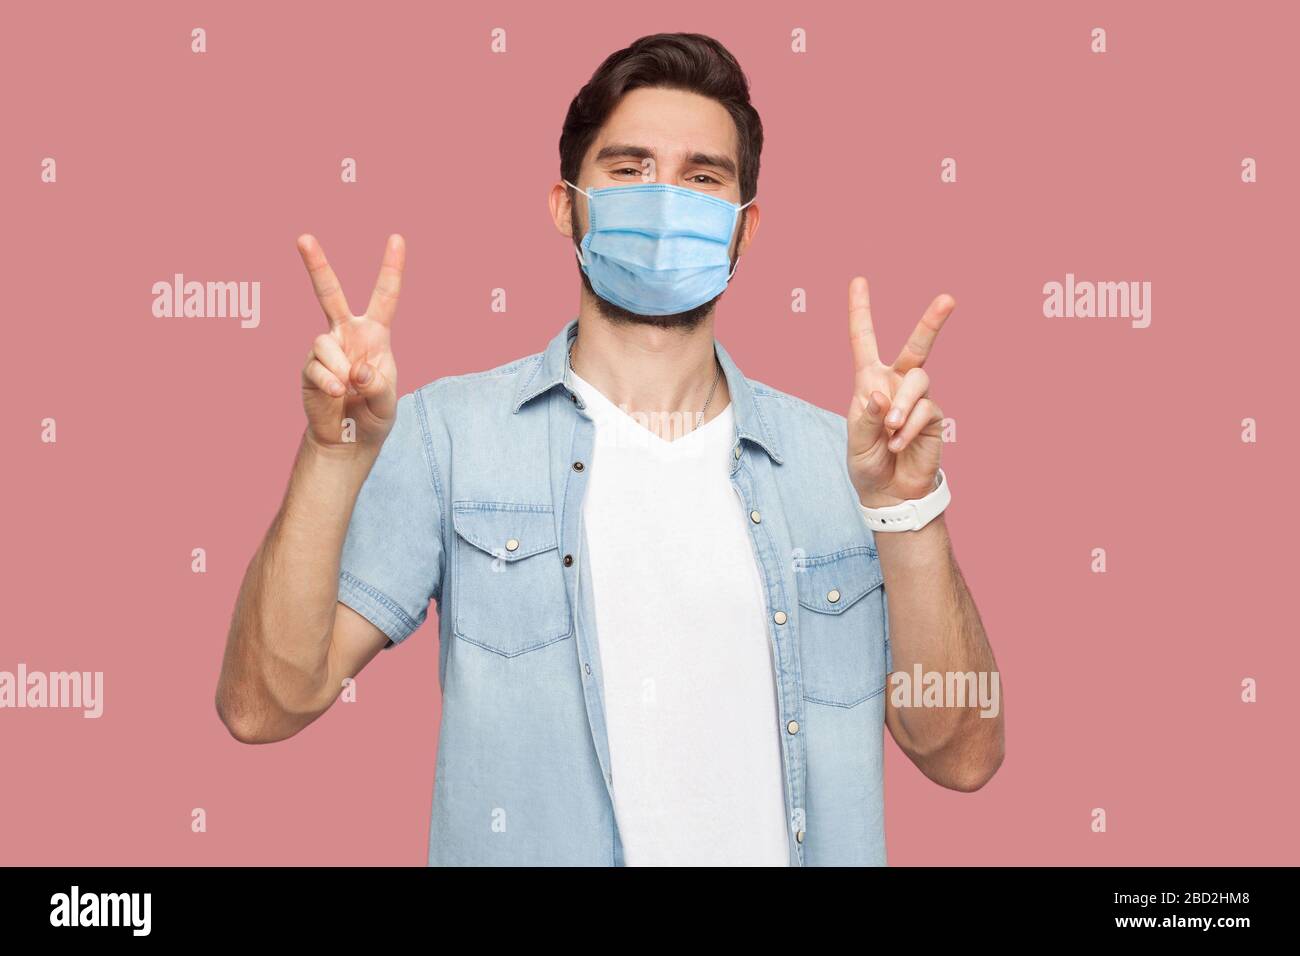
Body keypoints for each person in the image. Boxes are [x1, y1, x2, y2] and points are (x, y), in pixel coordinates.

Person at [216, 32, 1004, 866]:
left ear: (745, 227)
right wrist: (334, 453)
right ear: (566, 205)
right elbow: (266, 706)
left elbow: (963, 755)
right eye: (629, 170)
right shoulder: (452, 437)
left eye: (703, 176)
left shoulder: (843, 462)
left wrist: (908, 507)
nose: (666, 198)